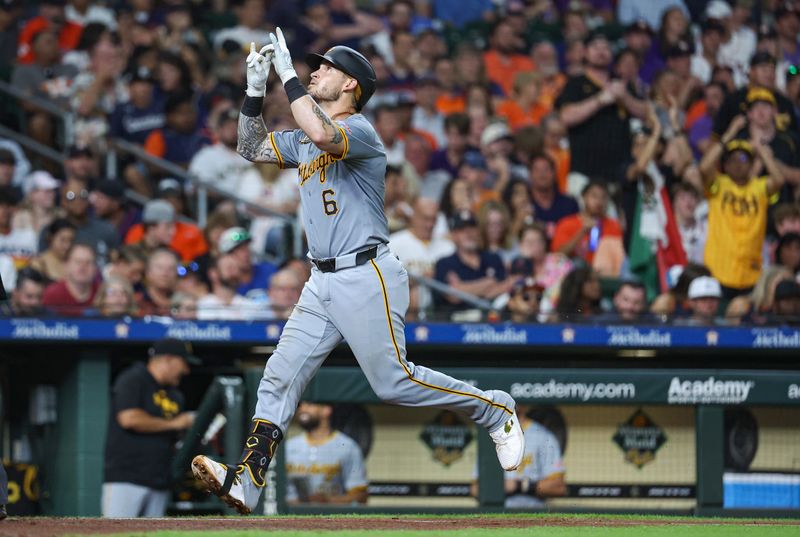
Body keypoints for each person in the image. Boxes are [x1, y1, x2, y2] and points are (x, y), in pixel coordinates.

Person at [192, 34, 524, 515]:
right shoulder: (307, 133)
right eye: (311, 68)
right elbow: (250, 147)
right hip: (320, 280)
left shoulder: (362, 130)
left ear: (351, 83)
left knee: (393, 383)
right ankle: (247, 481)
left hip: (367, 271)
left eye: (324, 68)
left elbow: (326, 135)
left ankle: (494, 408)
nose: (313, 71)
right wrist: (254, 89)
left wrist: (286, 77)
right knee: (277, 378)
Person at [102, 338, 198, 518]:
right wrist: (176, 423)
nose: (186, 370)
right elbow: (129, 419)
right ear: (168, 359)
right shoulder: (134, 378)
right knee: (116, 533)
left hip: (160, 479)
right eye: (183, 363)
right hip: (127, 479)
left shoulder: (175, 394)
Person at [699, 120, 785, 298]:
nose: (738, 163)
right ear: (725, 165)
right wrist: (728, 134)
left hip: (750, 272)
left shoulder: (759, 187)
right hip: (718, 270)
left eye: (744, 159)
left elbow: (779, 180)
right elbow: (704, 167)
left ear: (752, 164)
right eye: (732, 159)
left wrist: (760, 148)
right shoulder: (719, 185)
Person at [285, 401, 368, 504]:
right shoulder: (288, 447)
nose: (303, 409)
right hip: (289, 516)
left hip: (330, 516)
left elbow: (360, 496)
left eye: (309, 405)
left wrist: (326, 501)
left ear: (326, 410)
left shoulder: (348, 447)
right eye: (301, 405)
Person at [503, 406, 566, 509]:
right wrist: (498, 487)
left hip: (532, 513)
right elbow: (475, 488)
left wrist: (520, 486)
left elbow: (558, 487)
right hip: (495, 515)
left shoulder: (543, 436)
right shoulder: (491, 435)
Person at [41, 242, 100, 316]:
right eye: (78, 262)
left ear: (95, 269)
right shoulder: (52, 295)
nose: (83, 267)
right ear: (66, 265)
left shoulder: (102, 292)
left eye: (88, 262)